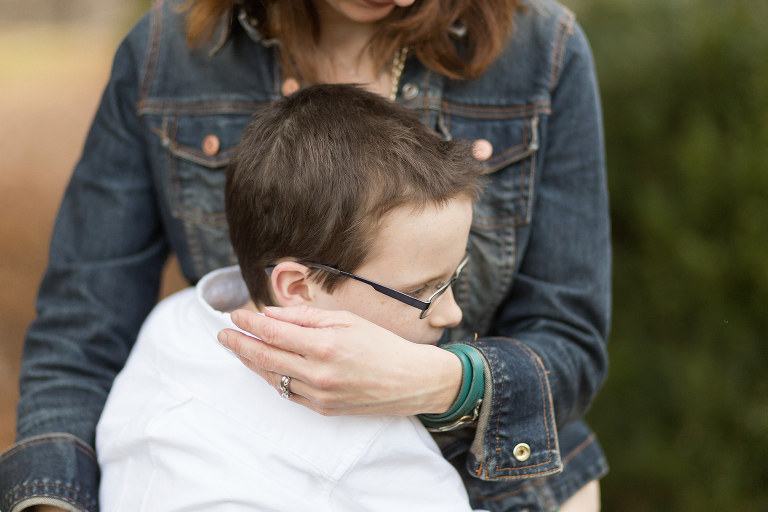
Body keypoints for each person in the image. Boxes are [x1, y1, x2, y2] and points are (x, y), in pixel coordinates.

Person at [0, 1, 610, 511]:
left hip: (494, 479)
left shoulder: (541, 51)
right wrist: (52, 501)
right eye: (429, 288)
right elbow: (80, 338)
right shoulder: (168, 55)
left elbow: (569, 341)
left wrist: (433, 382)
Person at [97, 82, 488, 511]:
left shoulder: (172, 324)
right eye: (421, 291)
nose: (452, 313)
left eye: (454, 277)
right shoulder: (374, 437)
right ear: (299, 289)